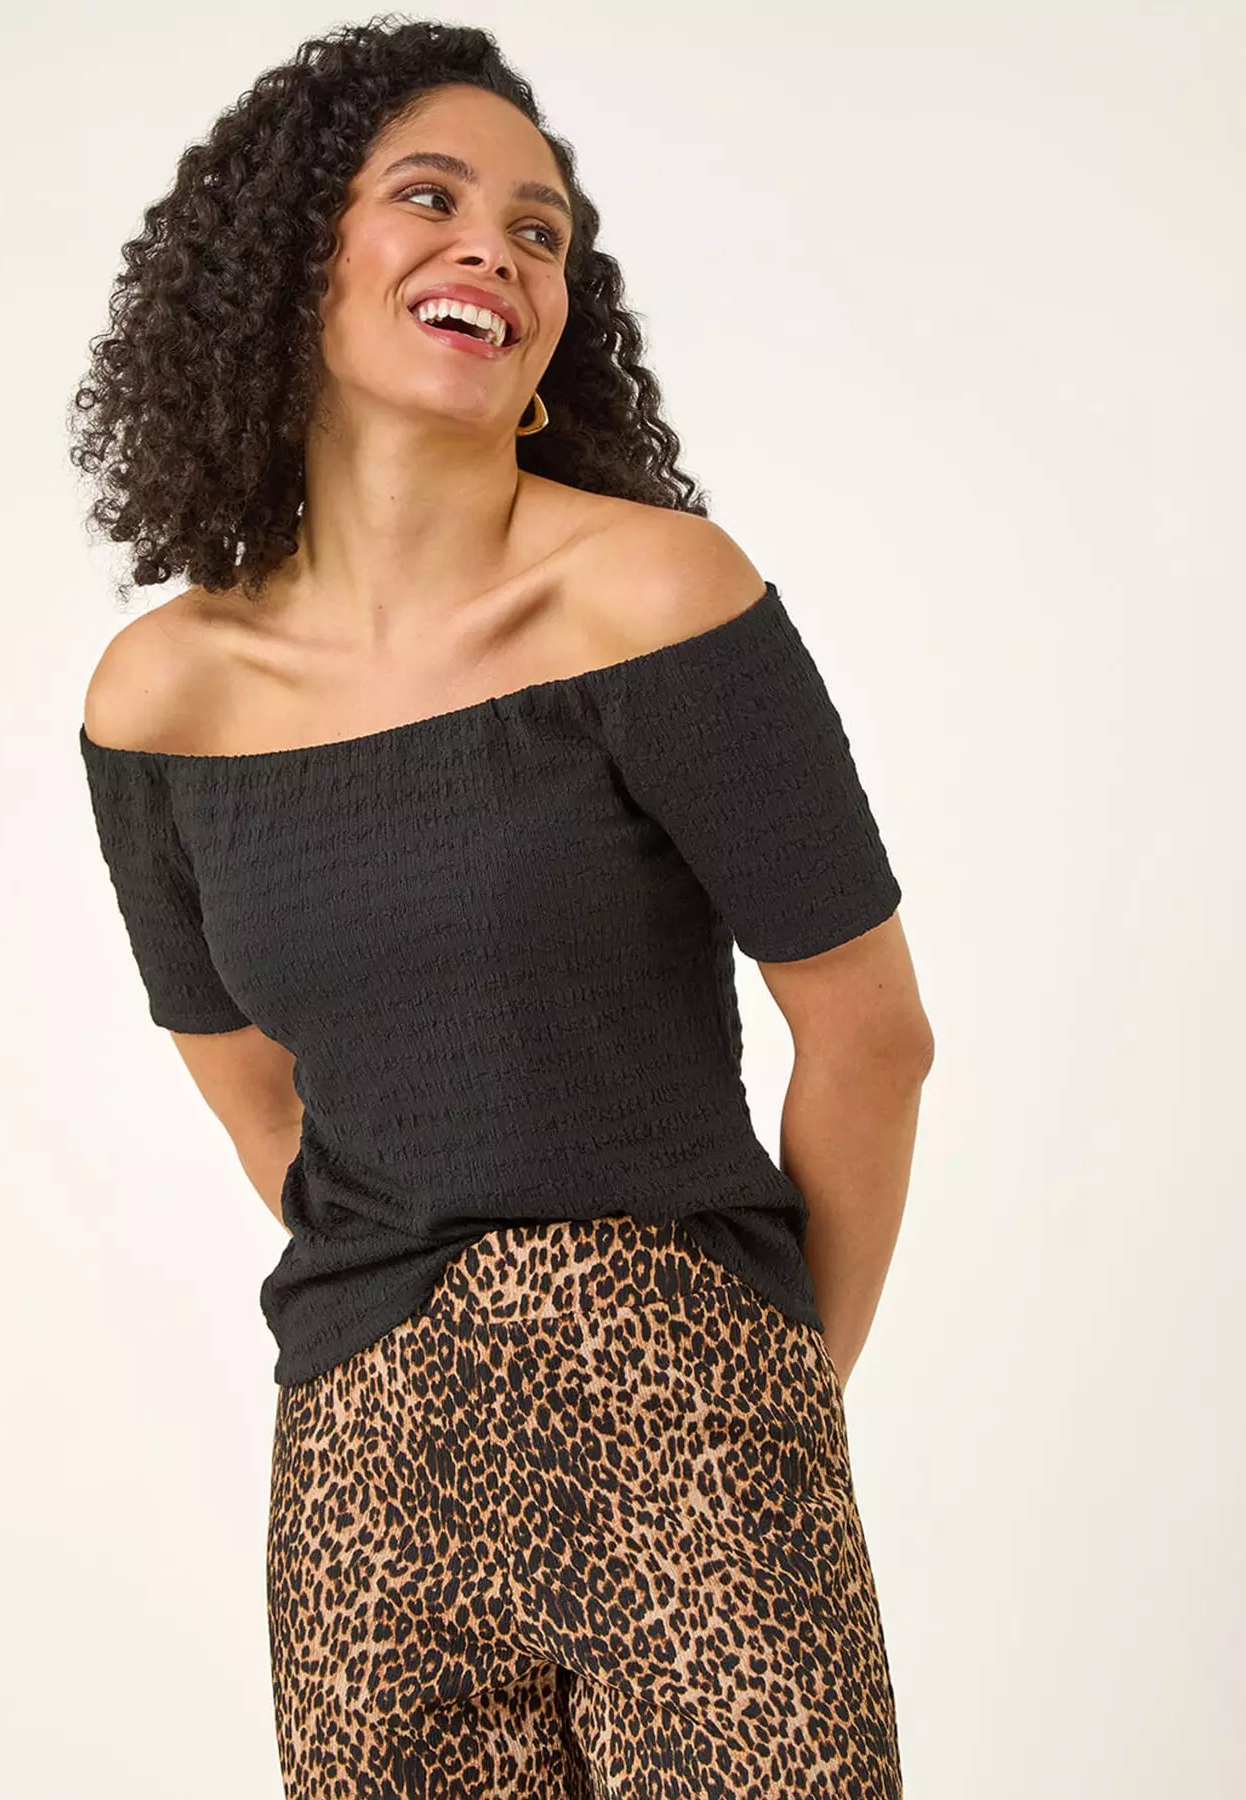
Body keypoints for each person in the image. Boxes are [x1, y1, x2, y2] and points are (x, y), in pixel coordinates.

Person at [70, 18, 933, 1798]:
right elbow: (261, 1104)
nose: (497, 249)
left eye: (540, 231)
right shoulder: (162, 698)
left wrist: (767, 1394)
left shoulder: (653, 598)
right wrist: (422, 1340)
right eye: (431, 199)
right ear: (293, 259)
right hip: (365, 1462)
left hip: (691, 1407)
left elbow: (869, 1038)